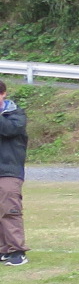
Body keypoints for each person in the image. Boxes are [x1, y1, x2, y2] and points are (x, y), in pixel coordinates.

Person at [0, 81, 25, 266]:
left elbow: (8, 130)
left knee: (10, 210)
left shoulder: (16, 115)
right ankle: (3, 250)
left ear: (3, 94)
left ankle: (17, 251)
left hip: (8, 169)